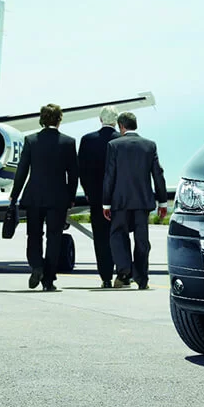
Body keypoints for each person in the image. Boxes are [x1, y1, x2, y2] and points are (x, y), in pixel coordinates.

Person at [10, 103, 78, 292]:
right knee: (54, 237)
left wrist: (14, 195)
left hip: (34, 196)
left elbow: (22, 171)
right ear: (59, 120)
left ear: (42, 119)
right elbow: (73, 174)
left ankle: (37, 266)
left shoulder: (31, 140)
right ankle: (48, 280)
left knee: (34, 235)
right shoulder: (68, 142)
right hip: (58, 197)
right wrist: (71, 197)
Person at [101, 111, 165, 289]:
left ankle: (124, 272)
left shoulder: (114, 145)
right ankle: (142, 278)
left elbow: (109, 176)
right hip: (143, 202)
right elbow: (158, 175)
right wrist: (162, 202)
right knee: (142, 240)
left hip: (119, 202)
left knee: (118, 236)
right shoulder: (149, 145)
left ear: (121, 126)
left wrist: (106, 203)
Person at [77, 107, 121, 286]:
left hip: (96, 197)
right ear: (116, 120)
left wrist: (87, 191)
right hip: (119, 198)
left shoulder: (87, 140)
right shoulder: (123, 140)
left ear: (100, 119)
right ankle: (123, 272)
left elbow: (82, 170)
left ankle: (105, 277)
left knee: (101, 238)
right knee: (119, 235)